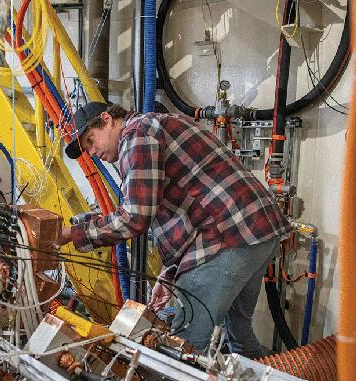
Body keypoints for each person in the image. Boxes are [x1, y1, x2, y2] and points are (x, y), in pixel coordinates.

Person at [57, 102, 291, 356]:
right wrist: (168, 275)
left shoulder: (137, 134)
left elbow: (135, 218)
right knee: (240, 338)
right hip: (257, 230)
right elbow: (181, 213)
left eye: (91, 140)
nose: (91, 152)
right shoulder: (151, 127)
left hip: (229, 235)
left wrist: (72, 234)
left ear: (108, 119)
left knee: (182, 345)